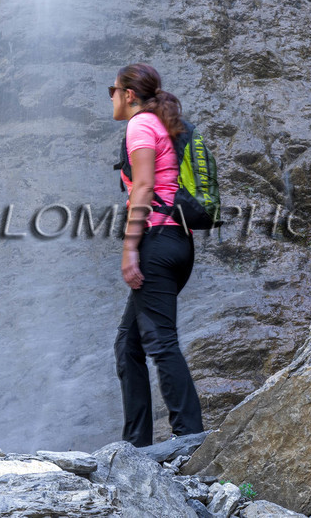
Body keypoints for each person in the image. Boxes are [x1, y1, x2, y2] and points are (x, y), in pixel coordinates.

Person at [110, 63, 205, 447]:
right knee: (128, 344)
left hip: (157, 240)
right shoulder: (161, 124)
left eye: (112, 90)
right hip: (177, 243)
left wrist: (130, 247)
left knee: (160, 342)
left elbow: (145, 186)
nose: (112, 98)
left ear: (129, 94)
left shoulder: (140, 124)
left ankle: (190, 436)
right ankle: (135, 445)